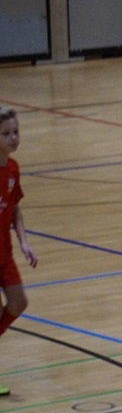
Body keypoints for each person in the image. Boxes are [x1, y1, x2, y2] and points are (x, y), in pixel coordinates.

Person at [0, 107, 39, 397]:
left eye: (16, 132)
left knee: (19, 303)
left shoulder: (13, 168)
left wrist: (24, 241)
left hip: (5, 254)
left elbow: (15, 208)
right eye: (6, 133)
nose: (13, 138)